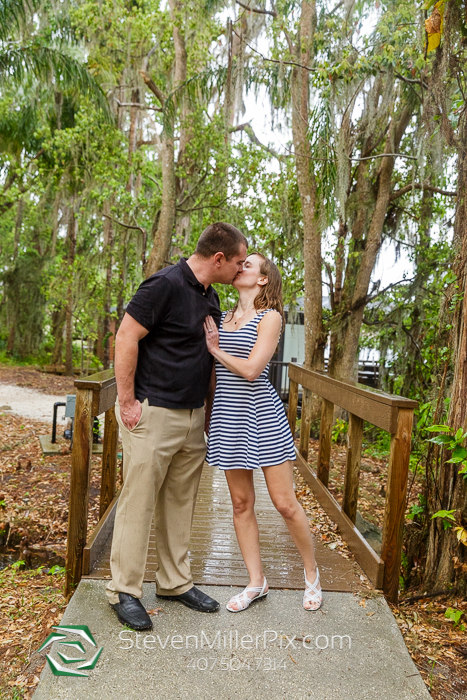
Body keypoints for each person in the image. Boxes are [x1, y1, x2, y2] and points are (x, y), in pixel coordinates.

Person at [106, 222, 248, 630]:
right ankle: (123, 590)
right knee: (139, 502)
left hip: (191, 417)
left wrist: (208, 411)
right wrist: (128, 401)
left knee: (181, 503)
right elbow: (126, 338)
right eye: (238, 262)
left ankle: (174, 581)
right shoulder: (163, 285)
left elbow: (205, 356)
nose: (240, 270)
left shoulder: (212, 295)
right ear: (218, 258)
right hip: (153, 413)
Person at [204, 252, 322, 612]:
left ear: (263, 279)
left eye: (249, 265)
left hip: (262, 417)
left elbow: (254, 369)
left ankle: (312, 576)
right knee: (241, 504)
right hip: (228, 418)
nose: (240, 267)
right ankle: (257, 582)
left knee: (284, 503)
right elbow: (212, 377)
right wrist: (210, 417)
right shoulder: (221, 318)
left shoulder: (270, 318)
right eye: (240, 264)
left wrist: (214, 349)